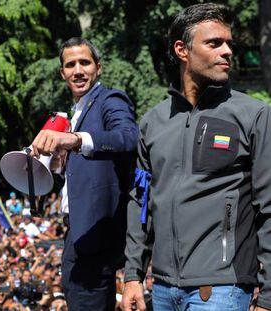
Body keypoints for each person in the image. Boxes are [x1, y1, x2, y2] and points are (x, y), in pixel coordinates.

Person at [122, 3, 271, 311]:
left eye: (229, 43)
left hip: (223, 290)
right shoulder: (153, 122)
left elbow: (269, 207)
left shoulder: (254, 115)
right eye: (214, 43)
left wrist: (268, 297)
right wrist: (133, 276)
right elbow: (141, 203)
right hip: (161, 290)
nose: (227, 51)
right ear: (182, 49)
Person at [31, 37, 138, 310]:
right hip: (77, 229)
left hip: (97, 232)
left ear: (98, 68)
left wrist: (76, 140)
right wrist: (54, 163)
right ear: (62, 73)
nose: (78, 70)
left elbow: (128, 137)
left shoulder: (110, 99)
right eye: (70, 65)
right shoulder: (73, 114)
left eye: (84, 62)